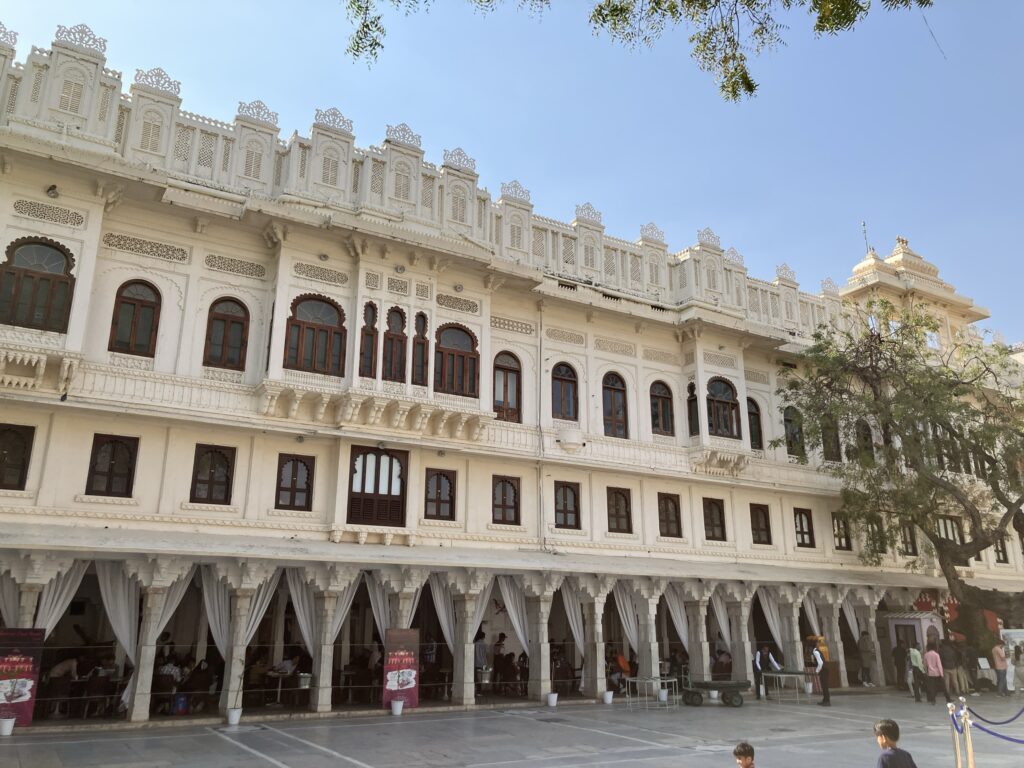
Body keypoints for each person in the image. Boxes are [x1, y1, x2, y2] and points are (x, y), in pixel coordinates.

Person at [923, 641, 946, 705]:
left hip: (930, 673)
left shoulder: (926, 655)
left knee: (932, 687)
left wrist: (926, 672)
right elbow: (939, 665)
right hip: (937, 673)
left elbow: (925, 665)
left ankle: (933, 700)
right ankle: (948, 699)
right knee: (944, 687)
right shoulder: (936, 654)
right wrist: (941, 674)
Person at [810, 639, 829, 706]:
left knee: (825, 686)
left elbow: (820, 663)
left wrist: (816, 671)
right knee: (824, 686)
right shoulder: (816, 651)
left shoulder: (815, 652)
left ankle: (827, 701)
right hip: (824, 669)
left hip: (823, 670)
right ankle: (825, 700)